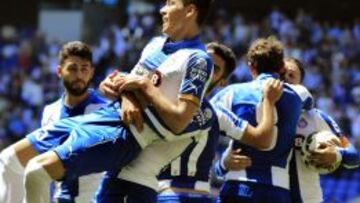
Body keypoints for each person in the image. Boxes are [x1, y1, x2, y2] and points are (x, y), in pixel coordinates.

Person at [22, 0, 216, 202]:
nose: (162, 9)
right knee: (12, 158)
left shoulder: (198, 60)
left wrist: (144, 85)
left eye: (171, 3)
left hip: (122, 133)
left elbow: (179, 121)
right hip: (104, 116)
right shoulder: (155, 44)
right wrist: (120, 90)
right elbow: (128, 85)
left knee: (36, 171)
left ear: (191, 10)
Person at [94, 42, 283, 203]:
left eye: (214, 69)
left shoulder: (216, 111)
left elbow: (262, 139)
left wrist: (268, 101)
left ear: (223, 82)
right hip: (149, 191)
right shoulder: (156, 95)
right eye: (205, 63)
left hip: (185, 194)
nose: (206, 71)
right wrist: (124, 94)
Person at [218, 57, 360, 203]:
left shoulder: (316, 118)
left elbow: (355, 157)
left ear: (300, 85)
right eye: (280, 74)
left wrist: (338, 155)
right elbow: (219, 169)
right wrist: (224, 163)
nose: (283, 79)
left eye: (291, 75)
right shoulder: (255, 115)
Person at [0, 41, 109, 203]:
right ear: (59, 71)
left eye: (84, 69)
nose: (79, 75)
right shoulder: (50, 111)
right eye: (72, 68)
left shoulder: (105, 111)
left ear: (92, 72)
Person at [212, 36, 312, 203]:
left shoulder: (232, 93)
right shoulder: (299, 96)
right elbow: (309, 102)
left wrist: (222, 164)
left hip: (238, 186)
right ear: (281, 68)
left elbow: (202, 121)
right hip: (278, 191)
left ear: (251, 66)